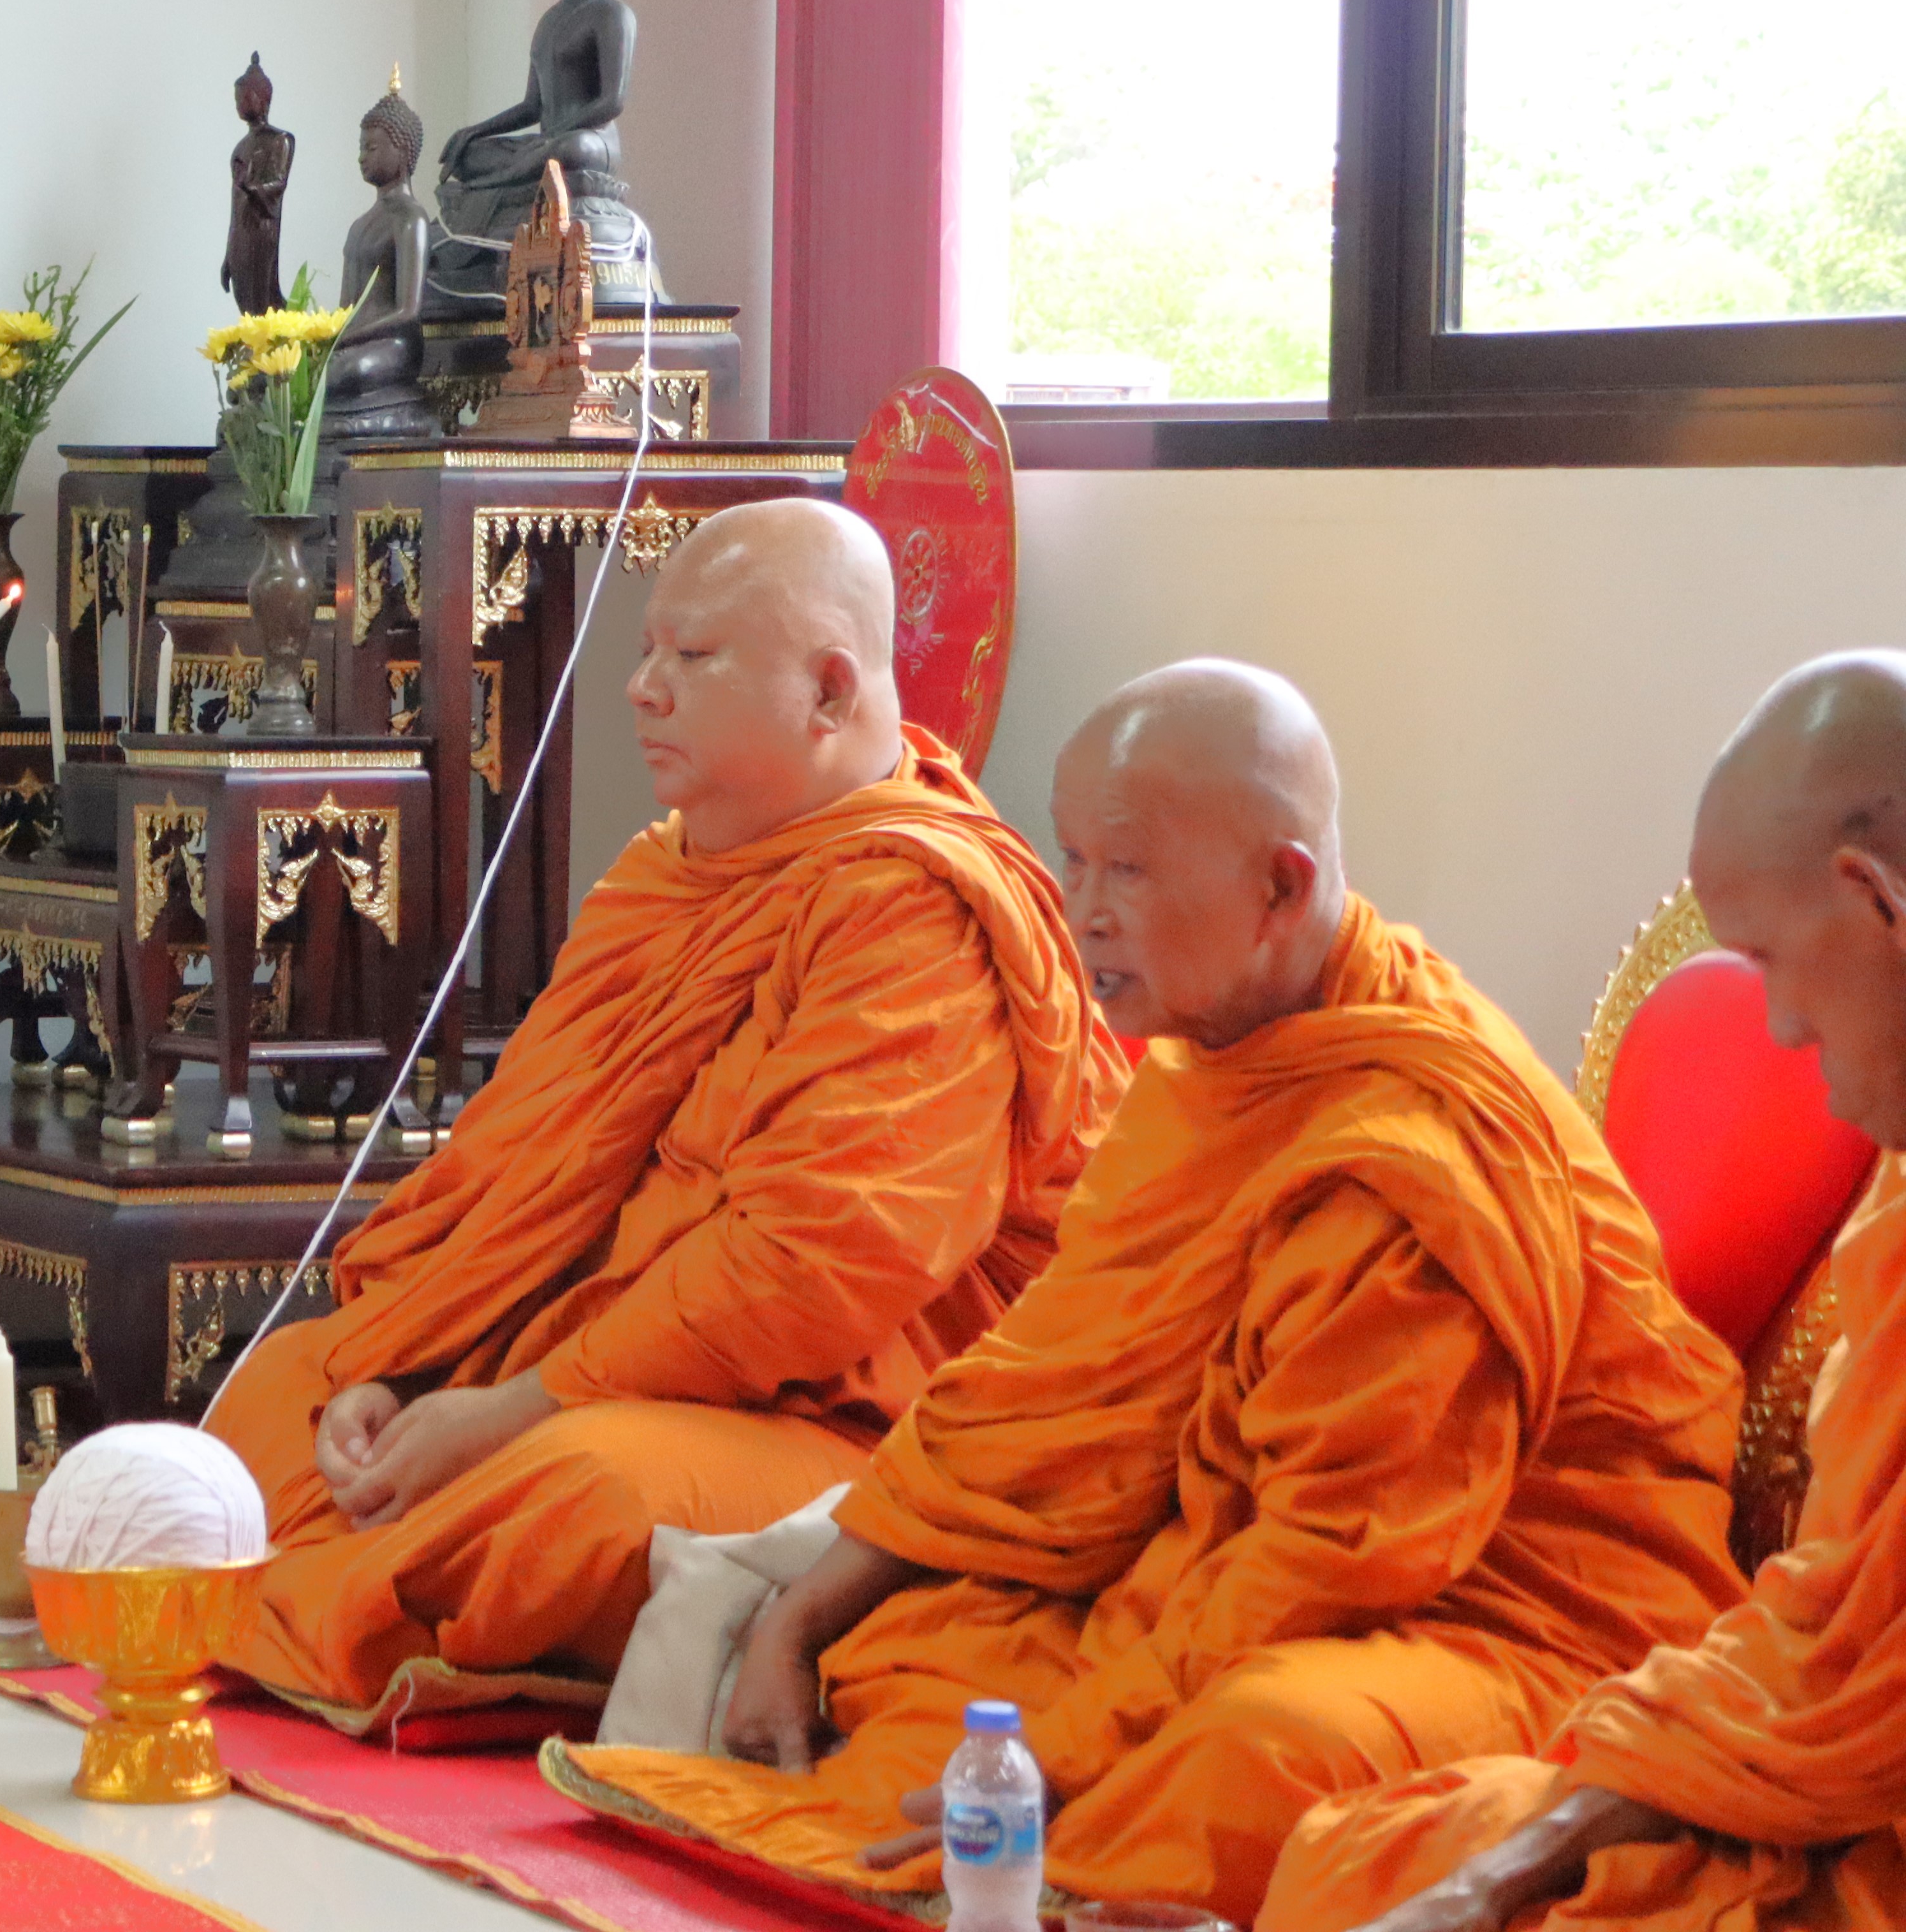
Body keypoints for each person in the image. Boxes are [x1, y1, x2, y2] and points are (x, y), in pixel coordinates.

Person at [552, 663, 1748, 1926]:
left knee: (1257, 1746)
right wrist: (802, 1613)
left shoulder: (1409, 1157)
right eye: (1073, 860)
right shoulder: (1213, 1060)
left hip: (1509, 1619)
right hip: (1224, 1562)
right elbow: (1037, 1389)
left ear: (1280, 887)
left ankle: (1045, 1864)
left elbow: (1332, 1556)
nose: (1083, 912)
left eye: (1126, 871)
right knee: (918, 1639)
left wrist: (1064, 1755)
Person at [198, 499, 1127, 1728]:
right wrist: (407, 1368)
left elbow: (815, 1266)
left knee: (576, 1497)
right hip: (580, 1372)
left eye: (691, 657)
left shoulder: (916, 910)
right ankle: (366, 1585)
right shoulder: (659, 873)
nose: (643, 689)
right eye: (647, 652)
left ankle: (339, 1603)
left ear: (830, 692)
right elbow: (513, 1178)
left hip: (833, 1424)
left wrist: (514, 1409)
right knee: (278, 1395)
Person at [1258, 653, 1906, 1932]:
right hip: (1803, 1763)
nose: (1780, 1029)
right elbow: (1829, 1633)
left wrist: (1514, 1873)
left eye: (1772, 960)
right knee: (1357, 1858)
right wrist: (1512, 1858)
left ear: (1873, 896)